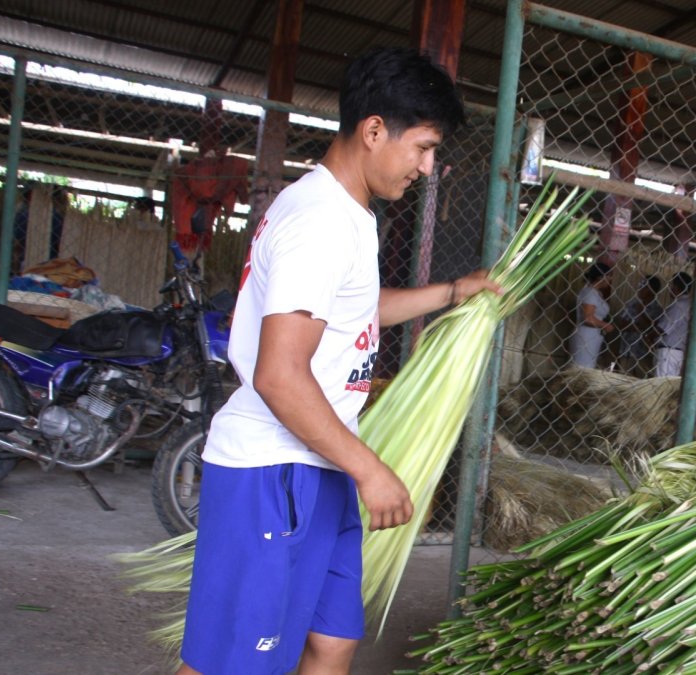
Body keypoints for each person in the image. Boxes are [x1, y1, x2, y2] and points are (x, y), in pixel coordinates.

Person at [177, 48, 500, 675]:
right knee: (231, 662)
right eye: (424, 148)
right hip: (275, 471)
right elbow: (279, 374)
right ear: (374, 130)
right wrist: (369, 470)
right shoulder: (319, 222)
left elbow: (352, 308)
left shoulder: (347, 213)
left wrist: (454, 291)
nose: (428, 168)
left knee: (332, 642)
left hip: (316, 466)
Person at [569, 261, 614, 368]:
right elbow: (588, 318)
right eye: (609, 276)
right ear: (600, 277)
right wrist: (606, 325)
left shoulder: (596, 293)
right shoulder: (590, 293)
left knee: (587, 367)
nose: (610, 279)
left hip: (592, 335)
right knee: (582, 367)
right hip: (586, 335)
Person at [617, 275, 663, 377]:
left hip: (644, 354)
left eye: (643, 286)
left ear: (652, 290)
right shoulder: (631, 304)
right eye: (640, 285)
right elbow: (621, 324)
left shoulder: (658, 310)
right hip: (626, 351)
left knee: (641, 380)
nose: (639, 288)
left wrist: (641, 313)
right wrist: (639, 327)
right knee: (622, 379)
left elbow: (651, 328)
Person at [656, 272, 692, 378]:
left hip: (669, 351)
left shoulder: (679, 306)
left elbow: (663, 328)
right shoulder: (688, 304)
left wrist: (648, 335)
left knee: (661, 383)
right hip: (678, 351)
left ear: (676, 287)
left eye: (671, 285)